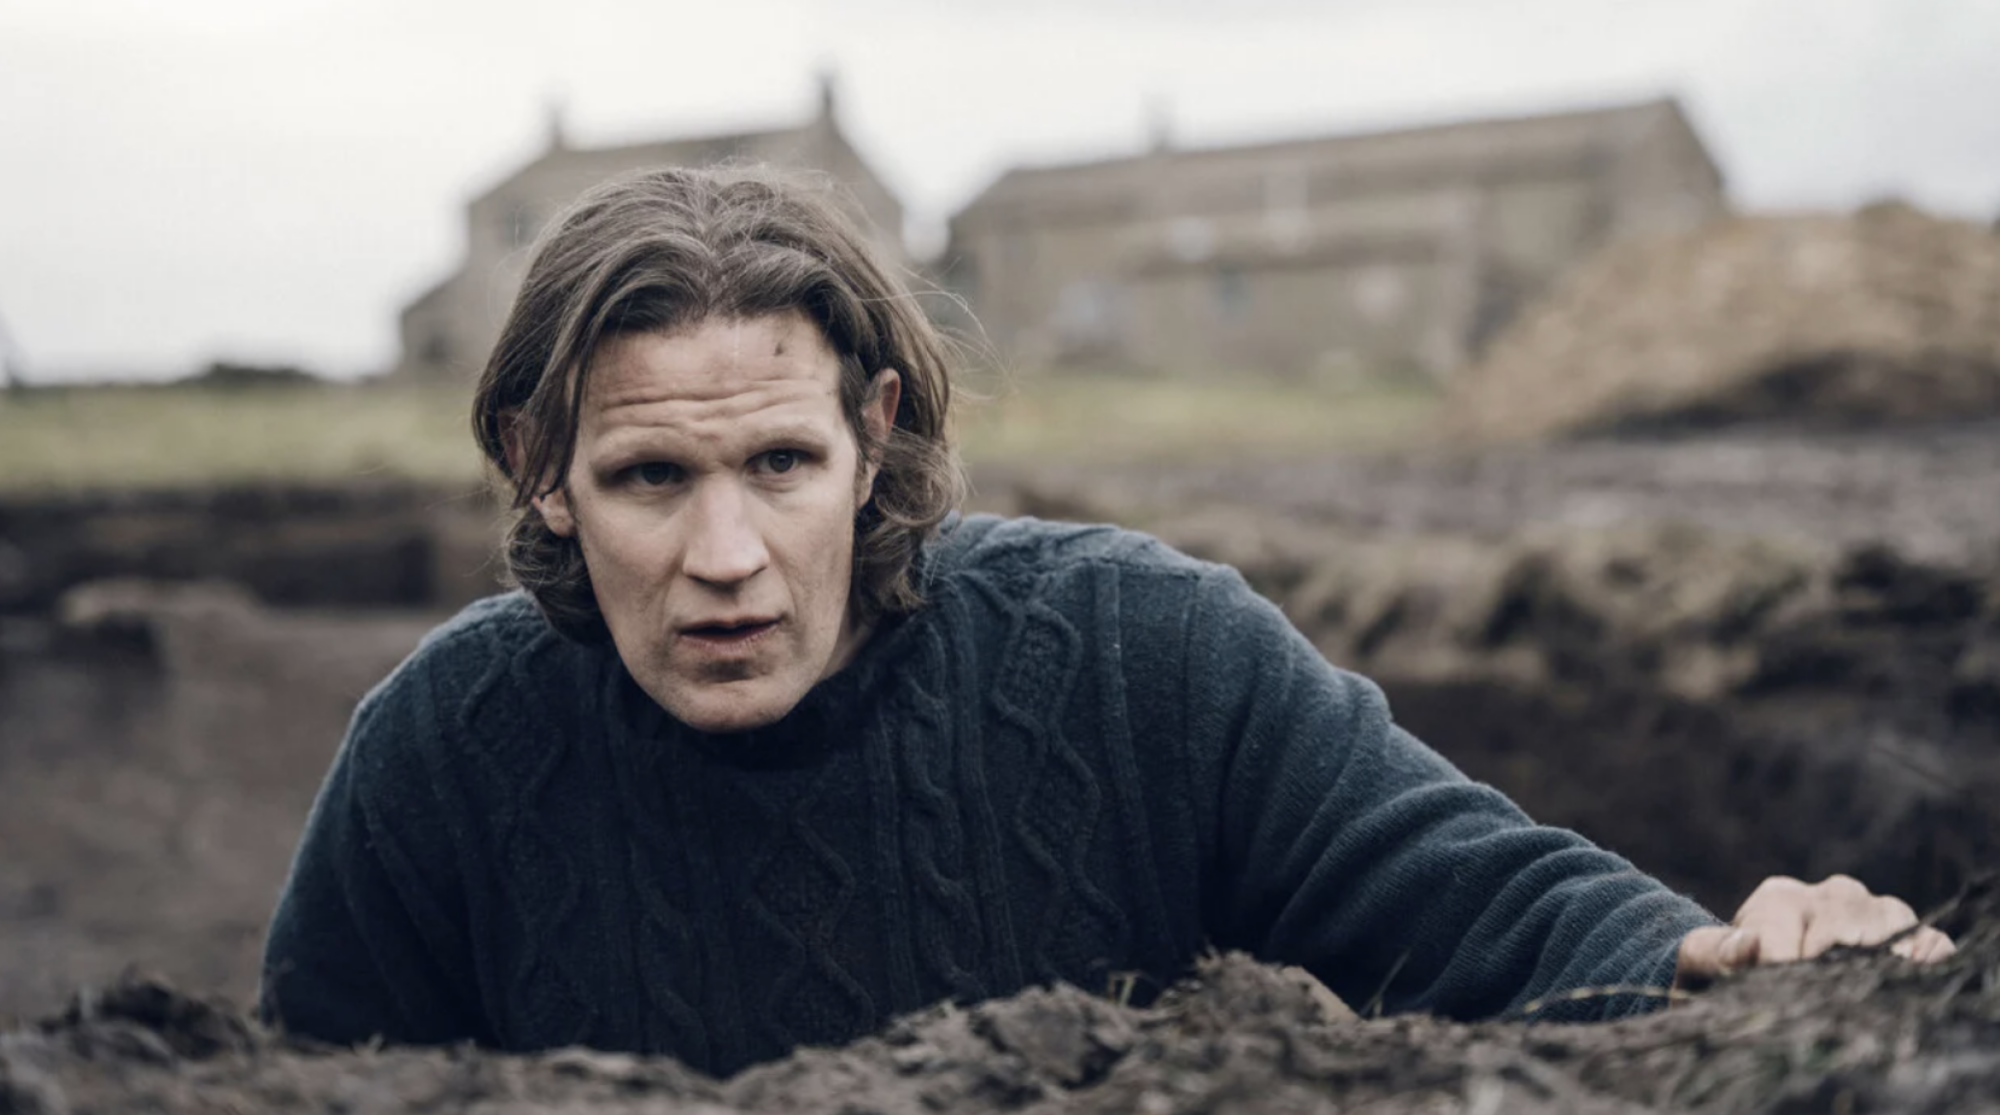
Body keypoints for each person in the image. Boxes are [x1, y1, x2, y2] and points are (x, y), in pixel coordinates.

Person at [260, 165, 1953, 1076]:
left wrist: (1719, 958)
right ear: (538, 470)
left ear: (878, 437)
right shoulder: (444, 753)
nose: (727, 554)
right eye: (647, 479)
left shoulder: (1132, 655)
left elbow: (1471, 897)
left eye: (781, 460)